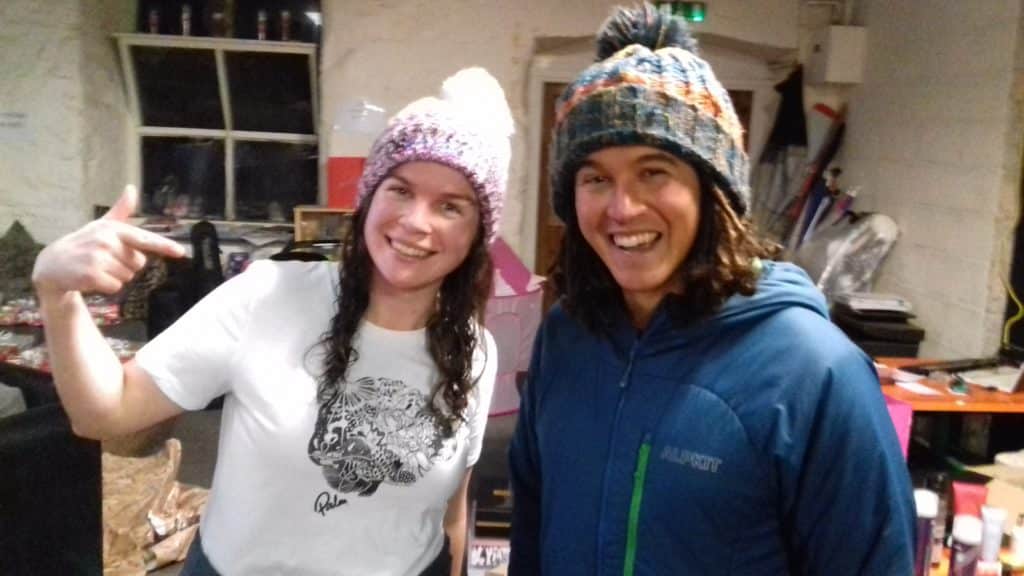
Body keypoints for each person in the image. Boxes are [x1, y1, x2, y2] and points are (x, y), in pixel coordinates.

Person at [32, 67, 514, 576]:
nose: (417, 221)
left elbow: (455, 506)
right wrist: (57, 294)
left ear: (478, 234)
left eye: (450, 206)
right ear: (370, 197)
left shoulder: (475, 350)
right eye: (400, 190)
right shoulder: (270, 295)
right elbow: (103, 414)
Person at [507, 4, 915, 575]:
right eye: (595, 177)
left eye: (654, 172)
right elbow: (532, 531)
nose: (622, 209)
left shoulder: (814, 373)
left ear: (712, 194)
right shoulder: (566, 338)